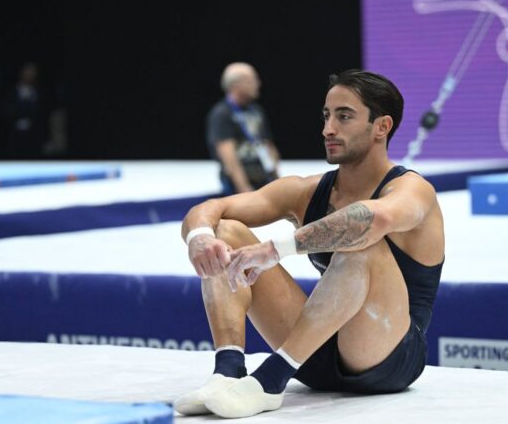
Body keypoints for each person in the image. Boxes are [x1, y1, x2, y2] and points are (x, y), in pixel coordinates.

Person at [177, 70, 445, 418]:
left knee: (362, 241)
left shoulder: (412, 190)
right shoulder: (306, 191)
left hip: (388, 357)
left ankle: (271, 380)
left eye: (344, 116)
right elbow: (211, 209)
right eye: (326, 116)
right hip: (315, 354)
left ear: (381, 127)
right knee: (225, 231)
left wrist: (272, 250)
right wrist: (198, 236)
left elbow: (372, 219)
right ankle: (227, 373)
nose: (328, 129)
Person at [206, 62, 280, 194]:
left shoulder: (257, 111)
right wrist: (244, 189)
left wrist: (277, 181)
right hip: (238, 185)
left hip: (263, 178)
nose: (258, 84)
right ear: (236, 85)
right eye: (252, 80)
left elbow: (268, 145)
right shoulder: (222, 113)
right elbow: (228, 157)